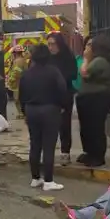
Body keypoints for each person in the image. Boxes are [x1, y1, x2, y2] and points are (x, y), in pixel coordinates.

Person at [18, 43, 69, 191]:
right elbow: (62, 89)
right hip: (50, 110)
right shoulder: (54, 72)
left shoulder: (27, 74)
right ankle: (48, 181)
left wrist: (25, 111)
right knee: (48, 146)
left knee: (35, 144)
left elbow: (21, 95)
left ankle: (35, 178)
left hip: (31, 110)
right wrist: (62, 106)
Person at [75, 35, 110, 167]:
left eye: (90, 45)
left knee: (95, 127)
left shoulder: (99, 61)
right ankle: (89, 153)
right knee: (87, 128)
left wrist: (86, 59)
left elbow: (84, 72)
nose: (86, 48)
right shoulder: (95, 60)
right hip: (87, 98)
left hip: (97, 98)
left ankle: (97, 156)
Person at [46, 32, 79, 164]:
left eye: (53, 44)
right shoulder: (47, 58)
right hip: (49, 95)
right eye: (48, 44)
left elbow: (73, 74)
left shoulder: (68, 56)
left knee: (64, 124)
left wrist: (59, 78)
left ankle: (65, 152)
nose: (50, 47)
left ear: (59, 44)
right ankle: (48, 152)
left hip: (65, 95)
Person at [5, 45, 28, 117]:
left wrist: (10, 80)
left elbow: (16, 72)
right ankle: (22, 113)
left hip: (17, 84)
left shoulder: (17, 61)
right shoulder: (23, 60)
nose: (12, 55)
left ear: (16, 53)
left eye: (13, 53)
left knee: (17, 99)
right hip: (23, 83)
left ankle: (21, 113)